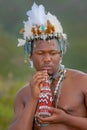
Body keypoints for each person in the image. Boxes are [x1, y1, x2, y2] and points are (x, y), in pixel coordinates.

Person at [9, 2, 87, 130]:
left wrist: (67, 119)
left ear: (61, 55)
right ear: (30, 56)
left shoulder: (82, 82)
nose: (47, 59)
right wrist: (33, 99)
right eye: (40, 53)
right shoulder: (23, 94)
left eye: (53, 53)